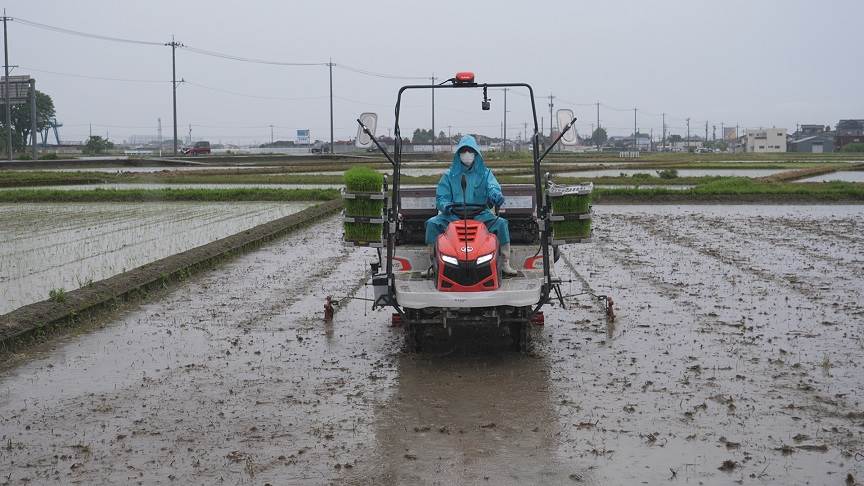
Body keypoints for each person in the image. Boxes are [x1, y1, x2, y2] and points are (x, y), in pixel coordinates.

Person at [423, 135, 518, 277]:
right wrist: (446, 206)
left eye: (470, 150)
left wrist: (495, 195)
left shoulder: (486, 174)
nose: (466, 154)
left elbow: (493, 187)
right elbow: (441, 197)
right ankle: (432, 263)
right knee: (432, 224)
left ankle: (504, 263)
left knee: (501, 224)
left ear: (476, 153)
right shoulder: (449, 175)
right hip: (453, 215)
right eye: (463, 151)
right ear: (459, 154)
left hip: (480, 215)